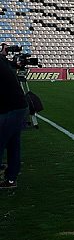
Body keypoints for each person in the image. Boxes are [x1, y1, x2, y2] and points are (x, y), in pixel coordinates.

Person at [0, 43, 28, 189]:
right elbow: (13, 64)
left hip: (10, 108)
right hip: (17, 106)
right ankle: (11, 179)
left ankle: (9, 177)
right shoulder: (2, 59)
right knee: (13, 144)